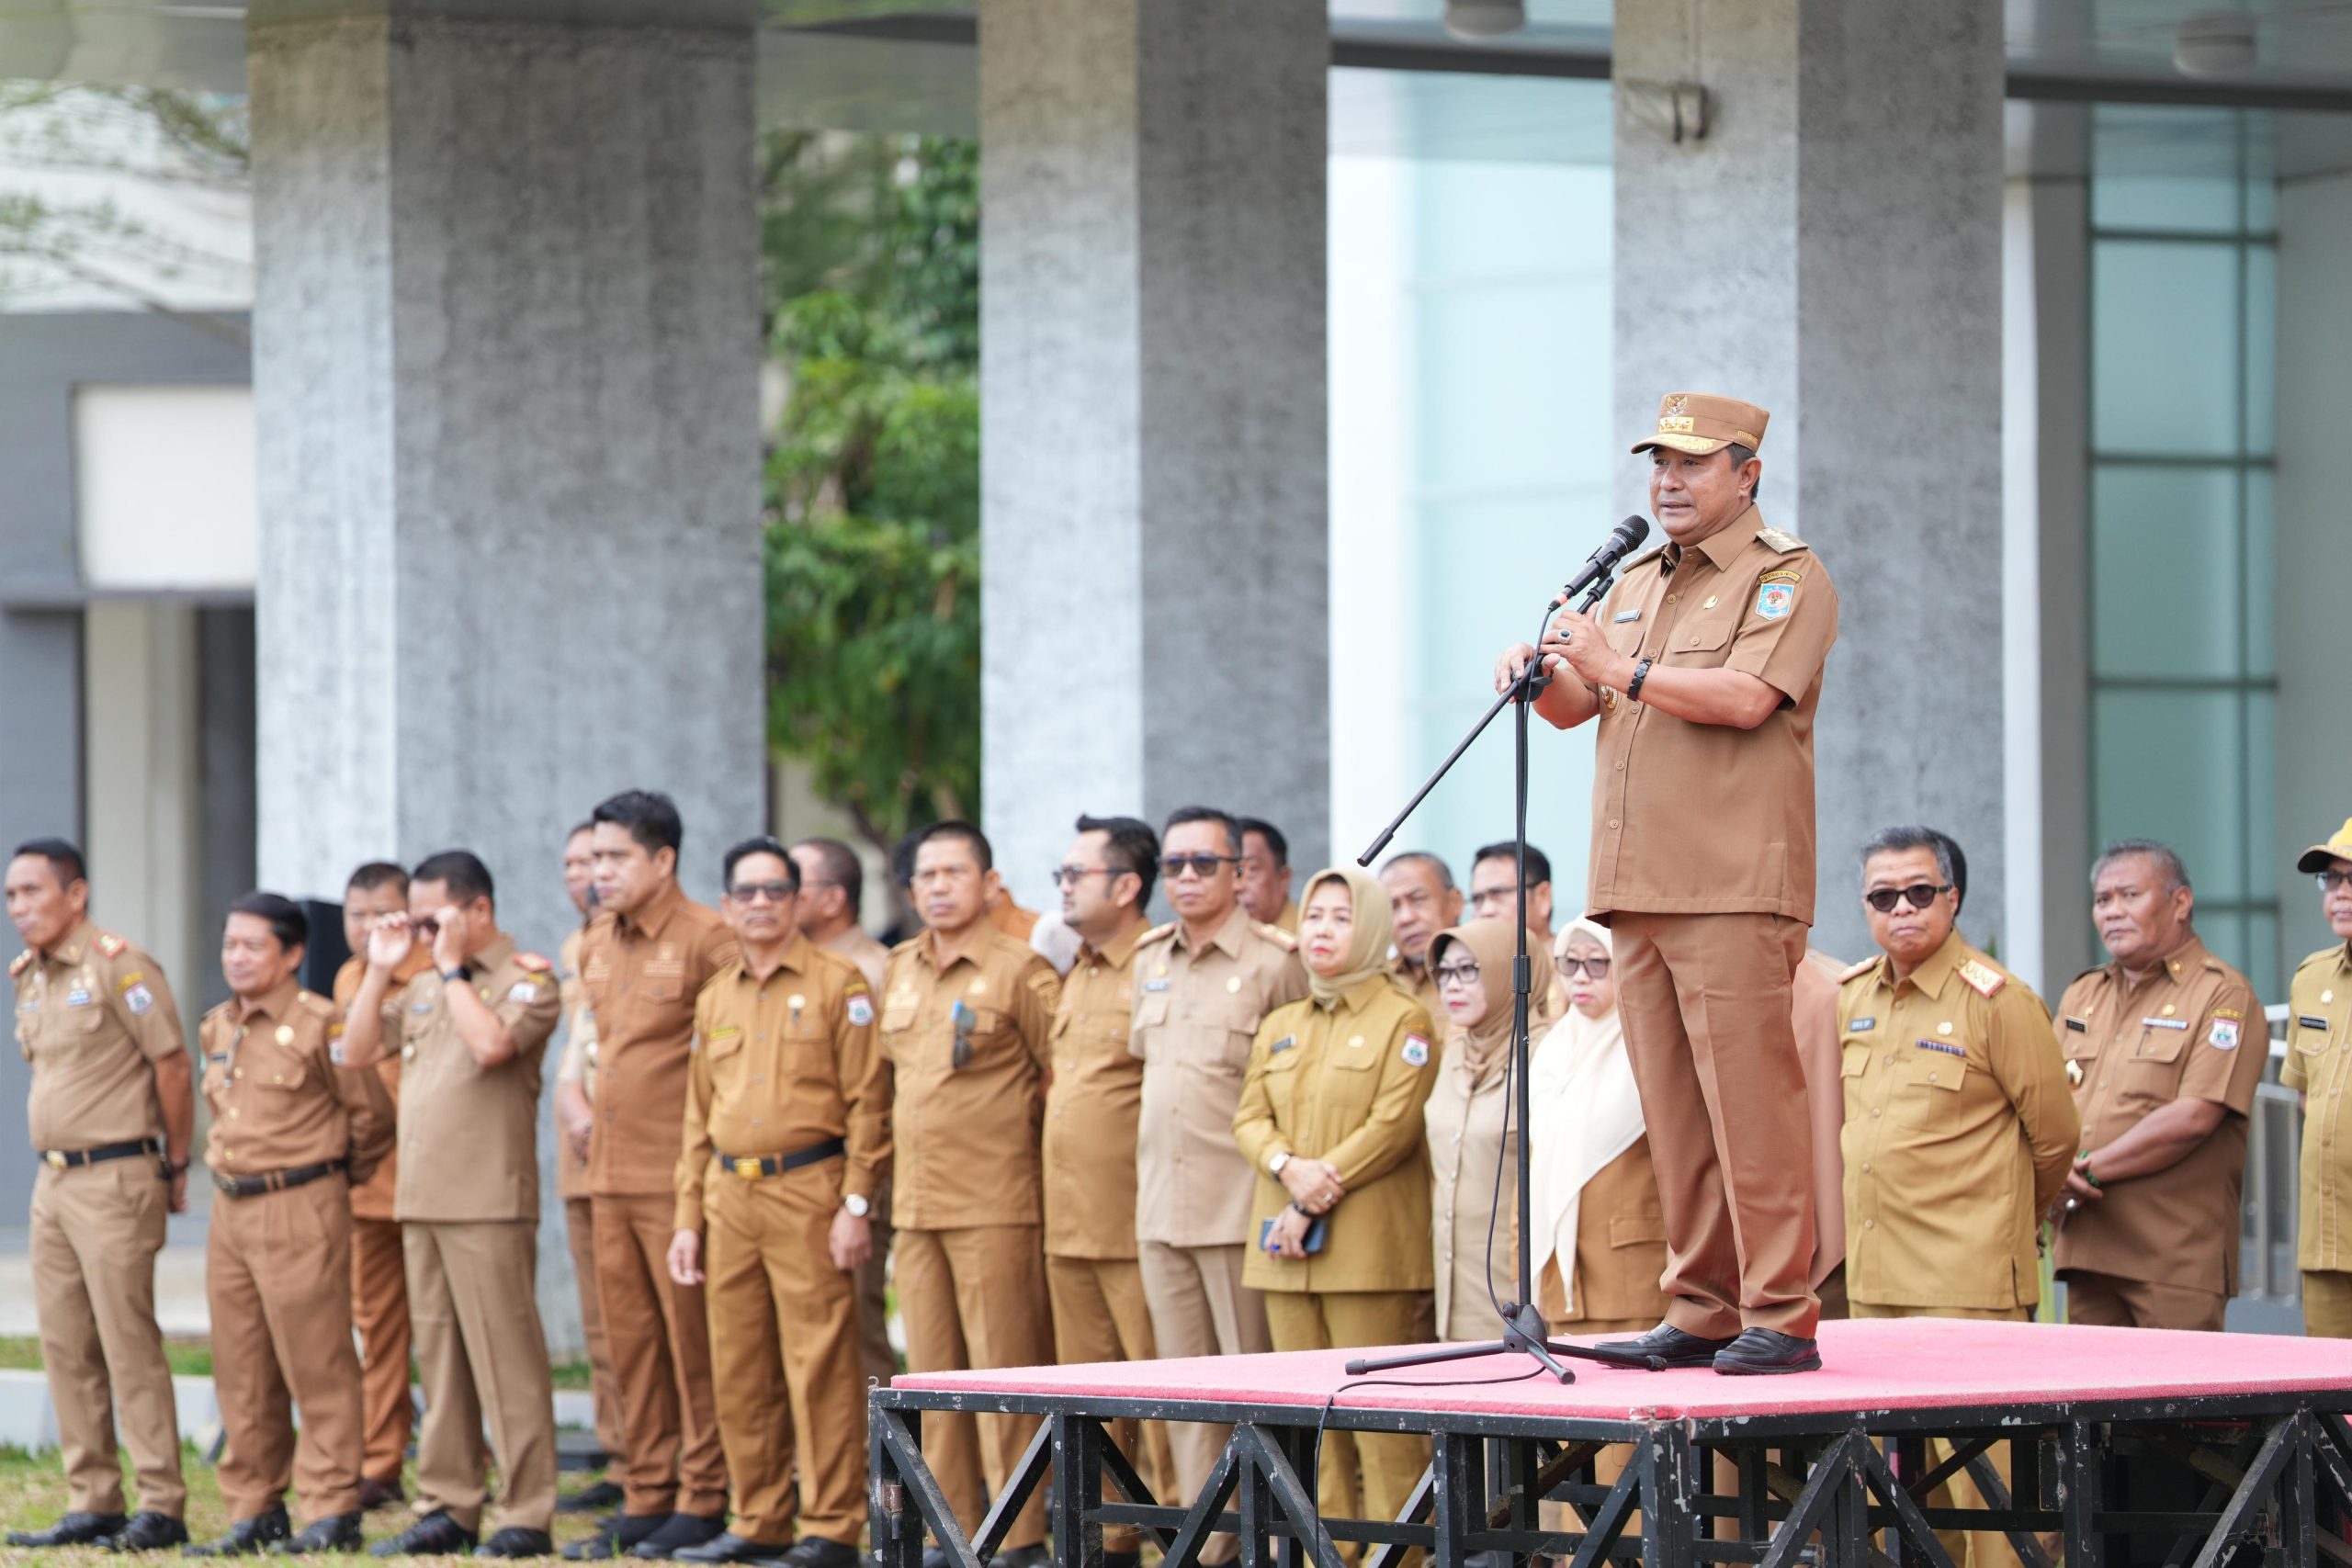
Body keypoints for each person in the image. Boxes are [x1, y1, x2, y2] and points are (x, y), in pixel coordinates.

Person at [1494, 390, 1838, 1374]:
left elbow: (1744, 698)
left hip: (1731, 885)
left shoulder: (1787, 578)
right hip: (1635, 888)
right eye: (1659, 464)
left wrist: (1618, 665)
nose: (1668, 482)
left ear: (1747, 474)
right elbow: (1576, 705)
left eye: (1691, 465)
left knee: (1751, 1107)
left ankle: (1781, 1310)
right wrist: (1542, 670)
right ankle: (1701, 1306)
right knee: (1674, 1112)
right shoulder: (1639, 578)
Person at [1838, 829, 2077, 1568]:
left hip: (1969, 1288)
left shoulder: (1997, 999)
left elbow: (2057, 1137)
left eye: (1919, 891)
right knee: (1898, 1497)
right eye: (1883, 896)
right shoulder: (1851, 997)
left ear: (1953, 897)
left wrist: (2005, 1226)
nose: (1901, 908)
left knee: (1992, 1496)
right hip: (1876, 1287)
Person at [668, 838, 887, 1568]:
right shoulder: (715, 995)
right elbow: (698, 1119)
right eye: (746, 892)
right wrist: (687, 1219)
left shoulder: (839, 982)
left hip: (809, 1189)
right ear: (727, 906)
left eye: (774, 891)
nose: (760, 904)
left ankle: (830, 1524)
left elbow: (868, 1105)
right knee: (739, 1362)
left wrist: (855, 1203)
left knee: (819, 1360)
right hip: (731, 1193)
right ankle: (757, 1514)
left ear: (797, 901)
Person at [340, 851, 564, 1558]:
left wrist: (453, 968)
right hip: (422, 1199)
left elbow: (493, 1045)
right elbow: (356, 1049)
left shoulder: (525, 978)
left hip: (488, 1202)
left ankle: (525, 1509)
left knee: (506, 1362)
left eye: (434, 917)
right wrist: (380, 967)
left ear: (478, 912)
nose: (424, 931)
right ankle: (449, 1503)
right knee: (438, 1361)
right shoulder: (432, 982)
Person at [1233, 865, 1438, 1537]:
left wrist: (1311, 1192)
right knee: (1310, 1427)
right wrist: (1286, 1166)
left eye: (1341, 917)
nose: (1321, 928)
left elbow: (1393, 1125)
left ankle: (1398, 1555)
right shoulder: (1283, 1021)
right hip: (1285, 1251)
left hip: (1366, 1252)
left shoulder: (1403, 1016)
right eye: (1314, 915)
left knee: (1381, 1430)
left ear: (1373, 928)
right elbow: (1248, 1118)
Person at [187, 893, 391, 1557]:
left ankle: (332, 1506)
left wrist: (327, 1178)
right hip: (230, 1206)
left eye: (252, 946)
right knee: (240, 1364)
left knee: (317, 1359)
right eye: (229, 945)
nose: (236, 957)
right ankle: (255, 1505)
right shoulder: (217, 1025)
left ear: (293, 953)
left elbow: (372, 1117)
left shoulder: (321, 1024)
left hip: (301, 1202)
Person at [878, 821, 1060, 1568]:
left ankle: (1019, 1538)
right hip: (917, 1209)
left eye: (956, 872)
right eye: (927, 874)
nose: (940, 886)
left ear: (989, 883)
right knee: (931, 1375)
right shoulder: (898, 968)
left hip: (996, 1203)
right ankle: (953, 1529)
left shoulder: (1024, 970)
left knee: (1001, 1374)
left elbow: (1061, 1081)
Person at [4, 840, 193, 1554]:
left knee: (126, 1340)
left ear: (75, 894)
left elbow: (171, 1063)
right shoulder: (31, 976)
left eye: (32, 891)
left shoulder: (120, 963)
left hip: (116, 1175)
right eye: (11, 896)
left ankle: (162, 1502)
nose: (19, 907)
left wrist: (177, 1162)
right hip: (52, 1180)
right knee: (66, 1342)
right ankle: (93, 1497)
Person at [1131, 806, 1308, 1563]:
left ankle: (1264, 1545)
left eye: (1205, 863)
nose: (1188, 878)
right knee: (1183, 1399)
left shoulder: (1276, 960)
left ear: (1240, 873)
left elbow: (1296, 1093)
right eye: (1174, 865)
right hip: (1160, 1209)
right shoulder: (1150, 959)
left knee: (1251, 1394)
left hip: (1241, 1208)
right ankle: (1206, 1548)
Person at [572, 791, 741, 1561]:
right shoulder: (598, 940)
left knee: (690, 1346)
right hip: (606, 1174)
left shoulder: (710, 938)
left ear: (663, 859)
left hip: (676, 1180)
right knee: (628, 1344)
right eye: (594, 857)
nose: (598, 872)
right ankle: (647, 1489)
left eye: (615, 858)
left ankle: (704, 1495)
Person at [2052, 840, 2266, 1332]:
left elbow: (2196, 1116)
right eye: (2103, 900)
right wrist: (2049, 1177)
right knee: (2093, 1403)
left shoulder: (2221, 993)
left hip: (2172, 1258)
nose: (2113, 912)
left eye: (2129, 895)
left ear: (2181, 903)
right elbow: (2048, 1101)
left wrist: (2083, 1172)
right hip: (2088, 1247)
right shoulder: (2085, 994)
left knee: (2178, 1408)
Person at [1044, 816, 1175, 1568]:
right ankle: (1108, 1543)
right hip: (1070, 1220)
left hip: (1133, 1218)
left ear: (1126, 886)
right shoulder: (1080, 966)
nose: (1062, 885)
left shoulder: (1156, 963)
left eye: (1076, 874)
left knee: (1154, 1398)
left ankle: (1170, 1540)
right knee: (1089, 1401)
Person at [331, 860, 429, 1515]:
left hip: (431, 1178)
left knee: (447, 1325)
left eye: (381, 913)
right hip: (370, 1182)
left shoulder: (431, 972)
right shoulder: (348, 976)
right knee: (381, 1324)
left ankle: (467, 1451)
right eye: (355, 914)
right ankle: (382, 1456)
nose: (367, 928)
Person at [788, 836, 897, 1388]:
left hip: (855, 1180)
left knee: (859, 1328)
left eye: (793, 883)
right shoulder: (792, 969)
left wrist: (860, 1194)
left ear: (832, 899)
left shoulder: (876, 970)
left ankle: (878, 1470)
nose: (778, 896)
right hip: (794, 1184)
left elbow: (876, 1092)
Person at [1527, 919, 1668, 1336]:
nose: (1581, 977)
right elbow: (1535, 1165)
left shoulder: (1651, 1044)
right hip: (1560, 1278)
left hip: (1634, 1276)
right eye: (1569, 964)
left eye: (1597, 963)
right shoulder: (1552, 1051)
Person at [553, 823, 628, 1513]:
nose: (585, 874)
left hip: (636, 1153)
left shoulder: (649, 945)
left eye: (598, 860)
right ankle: (621, 1452)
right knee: (601, 1320)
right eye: (574, 863)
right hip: (581, 1152)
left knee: (644, 1319)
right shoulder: (578, 946)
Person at [1421, 918, 1521, 1341]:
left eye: (1470, 970)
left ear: (1507, 972)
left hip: (1514, 1282)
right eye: (1445, 972)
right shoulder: (1456, 1049)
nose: (1452, 985)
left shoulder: (1543, 1054)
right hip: (1453, 1277)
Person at [2289, 818, 2352, 1337]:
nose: (2341, 894)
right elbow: (2307, 1094)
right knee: (2335, 1405)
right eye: (2332, 880)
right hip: (2329, 1238)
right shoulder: (2312, 979)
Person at [1467, 842, 1566, 1024]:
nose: (1486, 911)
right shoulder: (1467, 975)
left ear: (1543, 896)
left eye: (1499, 893)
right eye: (1477, 899)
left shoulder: (1576, 968)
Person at [1377, 852, 1460, 1023]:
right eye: (1393, 906)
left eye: (1418, 899)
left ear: (1455, 901)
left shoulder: (1483, 975)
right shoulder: (1376, 983)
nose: (1406, 918)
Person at [1236, 818, 1298, 933]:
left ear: (1284, 878)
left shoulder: (1311, 942)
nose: (1238, 886)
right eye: (1235, 872)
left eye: (1251, 869)